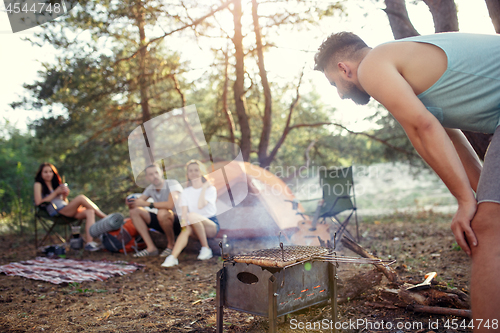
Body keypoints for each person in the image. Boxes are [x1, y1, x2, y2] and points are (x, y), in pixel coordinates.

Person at [314, 32, 500, 327]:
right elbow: (449, 140)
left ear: (343, 68)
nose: (339, 93)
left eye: (334, 84)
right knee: (490, 218)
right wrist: (475, 199)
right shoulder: (405, 70)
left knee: (488, 229)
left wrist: (466, 203)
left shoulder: (373, 64)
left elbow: (422, 128)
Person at [34, 162, 107, 251]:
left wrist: (65, 195)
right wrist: (55, 193)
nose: (48, 174)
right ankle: (106, 218)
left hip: (66, 208)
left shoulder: (56, 184)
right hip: (57, 211)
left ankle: (89, 243)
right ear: (41, 173)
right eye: (45, 172)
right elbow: (38, 202)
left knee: (90, 211)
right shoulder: (38, 184)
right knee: (81, 197)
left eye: (50, 172)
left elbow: (64, 202)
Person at [161, 160, 220, 267]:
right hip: (194, 225)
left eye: (196, 170)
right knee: (186, 227)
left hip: (210, 226)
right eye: (191, 171)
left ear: (201, 172)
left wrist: (204, 187)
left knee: (192, 215)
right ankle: (173, 257)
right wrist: (184, 224)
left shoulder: (211, 189)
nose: (193, 173)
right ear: (187, 174)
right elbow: (184, 212)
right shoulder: (186, 192)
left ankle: (206, 248)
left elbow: (201, 205)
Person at [128, 163, 183, 257]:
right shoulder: (150, 189)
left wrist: (147, 204)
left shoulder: (172, 183)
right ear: (147, 178)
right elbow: (139, 202)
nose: (155, 176)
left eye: (156, 172)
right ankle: (151, 248)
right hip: (163, 221)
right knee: (134, 211)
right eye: (151, 174)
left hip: (180, 221)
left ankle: (171, 245)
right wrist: (131, 202)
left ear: (161, 172)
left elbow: (170, 205)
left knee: (162, 212)